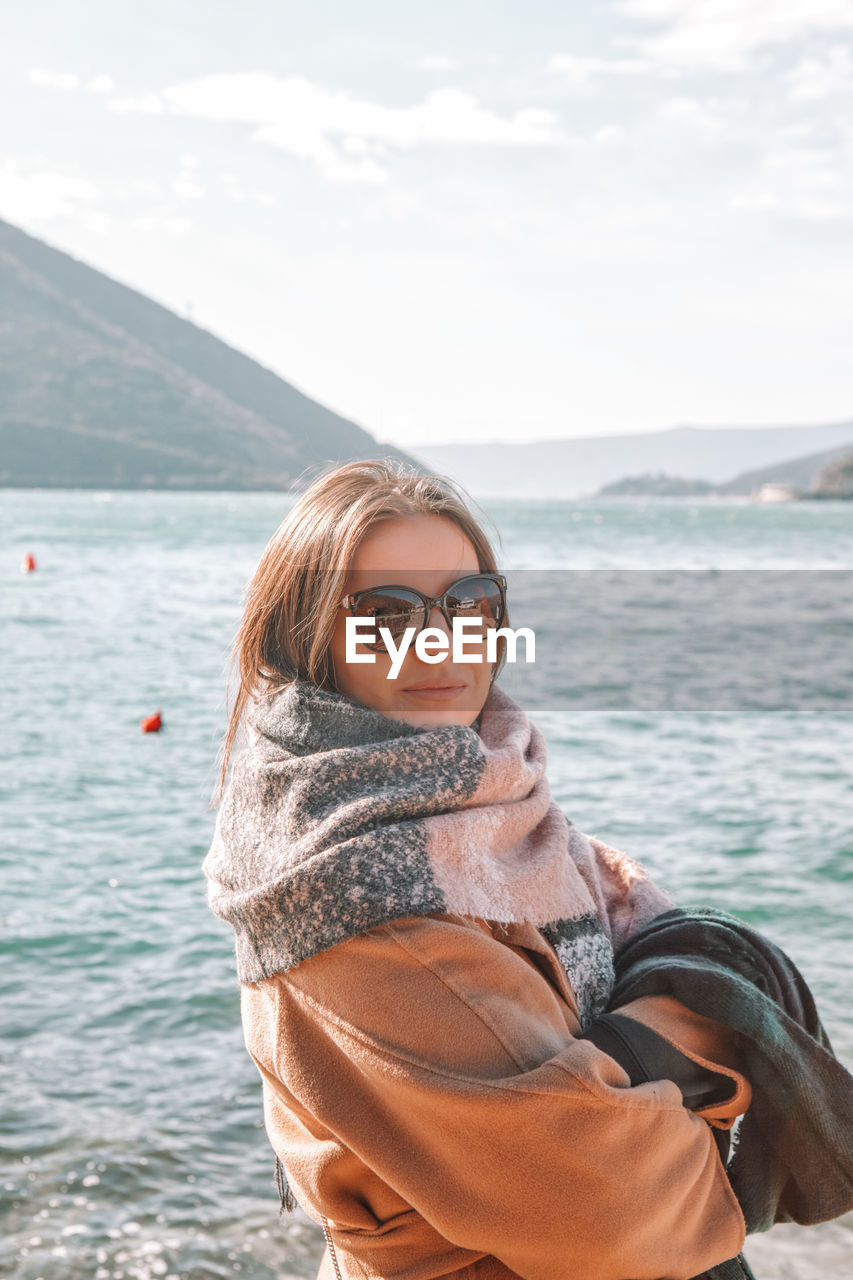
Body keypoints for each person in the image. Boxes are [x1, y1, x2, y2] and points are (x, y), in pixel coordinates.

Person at [203, 458, 753, 1280]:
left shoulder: (491, 797)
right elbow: (612, 1205)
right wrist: (714, 1036)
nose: (440, 641)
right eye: (386, 615)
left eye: (468, 606)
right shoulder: (351, 890)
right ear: (307, 635)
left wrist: (638, 1079)